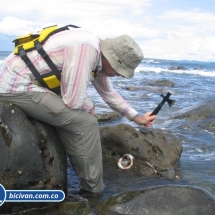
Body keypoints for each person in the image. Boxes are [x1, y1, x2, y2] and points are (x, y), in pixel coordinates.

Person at [0, 26, 156, 194]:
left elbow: (108, 92)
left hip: (26, 81)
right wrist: (91, 107)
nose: (121, 75)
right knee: (86, 123)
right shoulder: (85, 50)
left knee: (79, 116)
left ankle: (74, 168)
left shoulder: (97, 52)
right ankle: (93, 190)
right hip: (15, 85)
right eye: (120, 71)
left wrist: (137, 117)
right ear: (112, 60)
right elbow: (73, 102)